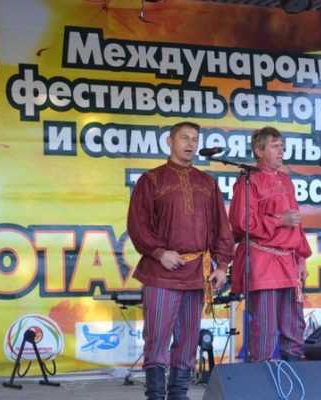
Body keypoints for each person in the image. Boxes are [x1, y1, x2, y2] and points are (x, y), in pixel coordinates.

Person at [127, 121, 234, 400]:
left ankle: (178, 395)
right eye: (184, 138)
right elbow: (138, 225)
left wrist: (222, 265)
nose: (190, 144)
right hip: (161, 272)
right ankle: (155, 396)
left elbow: (221, 228)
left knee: (187, 340)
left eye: (195, 139)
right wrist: (160, 253)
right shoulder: (151, 180)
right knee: (157, 338)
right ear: (170, 141)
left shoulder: (207, 183)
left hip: (197, 273)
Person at [228, 126, 311, 363]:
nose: (281, 151)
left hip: (288, 261)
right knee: (263, 326)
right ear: (259, 150)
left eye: (282, 146)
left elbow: (296, 223)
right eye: (275, 146)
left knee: (294, 323)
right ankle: (259, 377)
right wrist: (278, 220)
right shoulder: (248, 180)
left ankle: (293, 374)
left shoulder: (285, 180)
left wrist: (301, 258)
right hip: (262, 260)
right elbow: (241, 222)